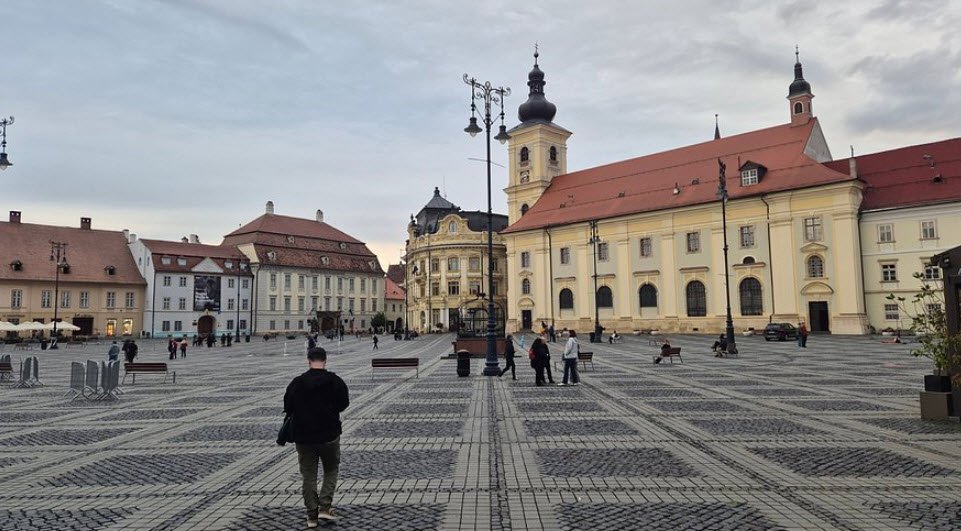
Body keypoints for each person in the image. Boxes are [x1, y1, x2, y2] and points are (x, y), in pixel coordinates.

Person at [284, 347, 350, 527]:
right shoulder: (335, 381)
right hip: (329, 435)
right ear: (325, 361)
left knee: (308, 475)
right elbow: (343, 404)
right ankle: (325, 507)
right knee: (331, 469)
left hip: (304, 437)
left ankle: (312, 515)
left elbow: (288, 406)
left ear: (308, 361)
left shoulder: (297, 382)